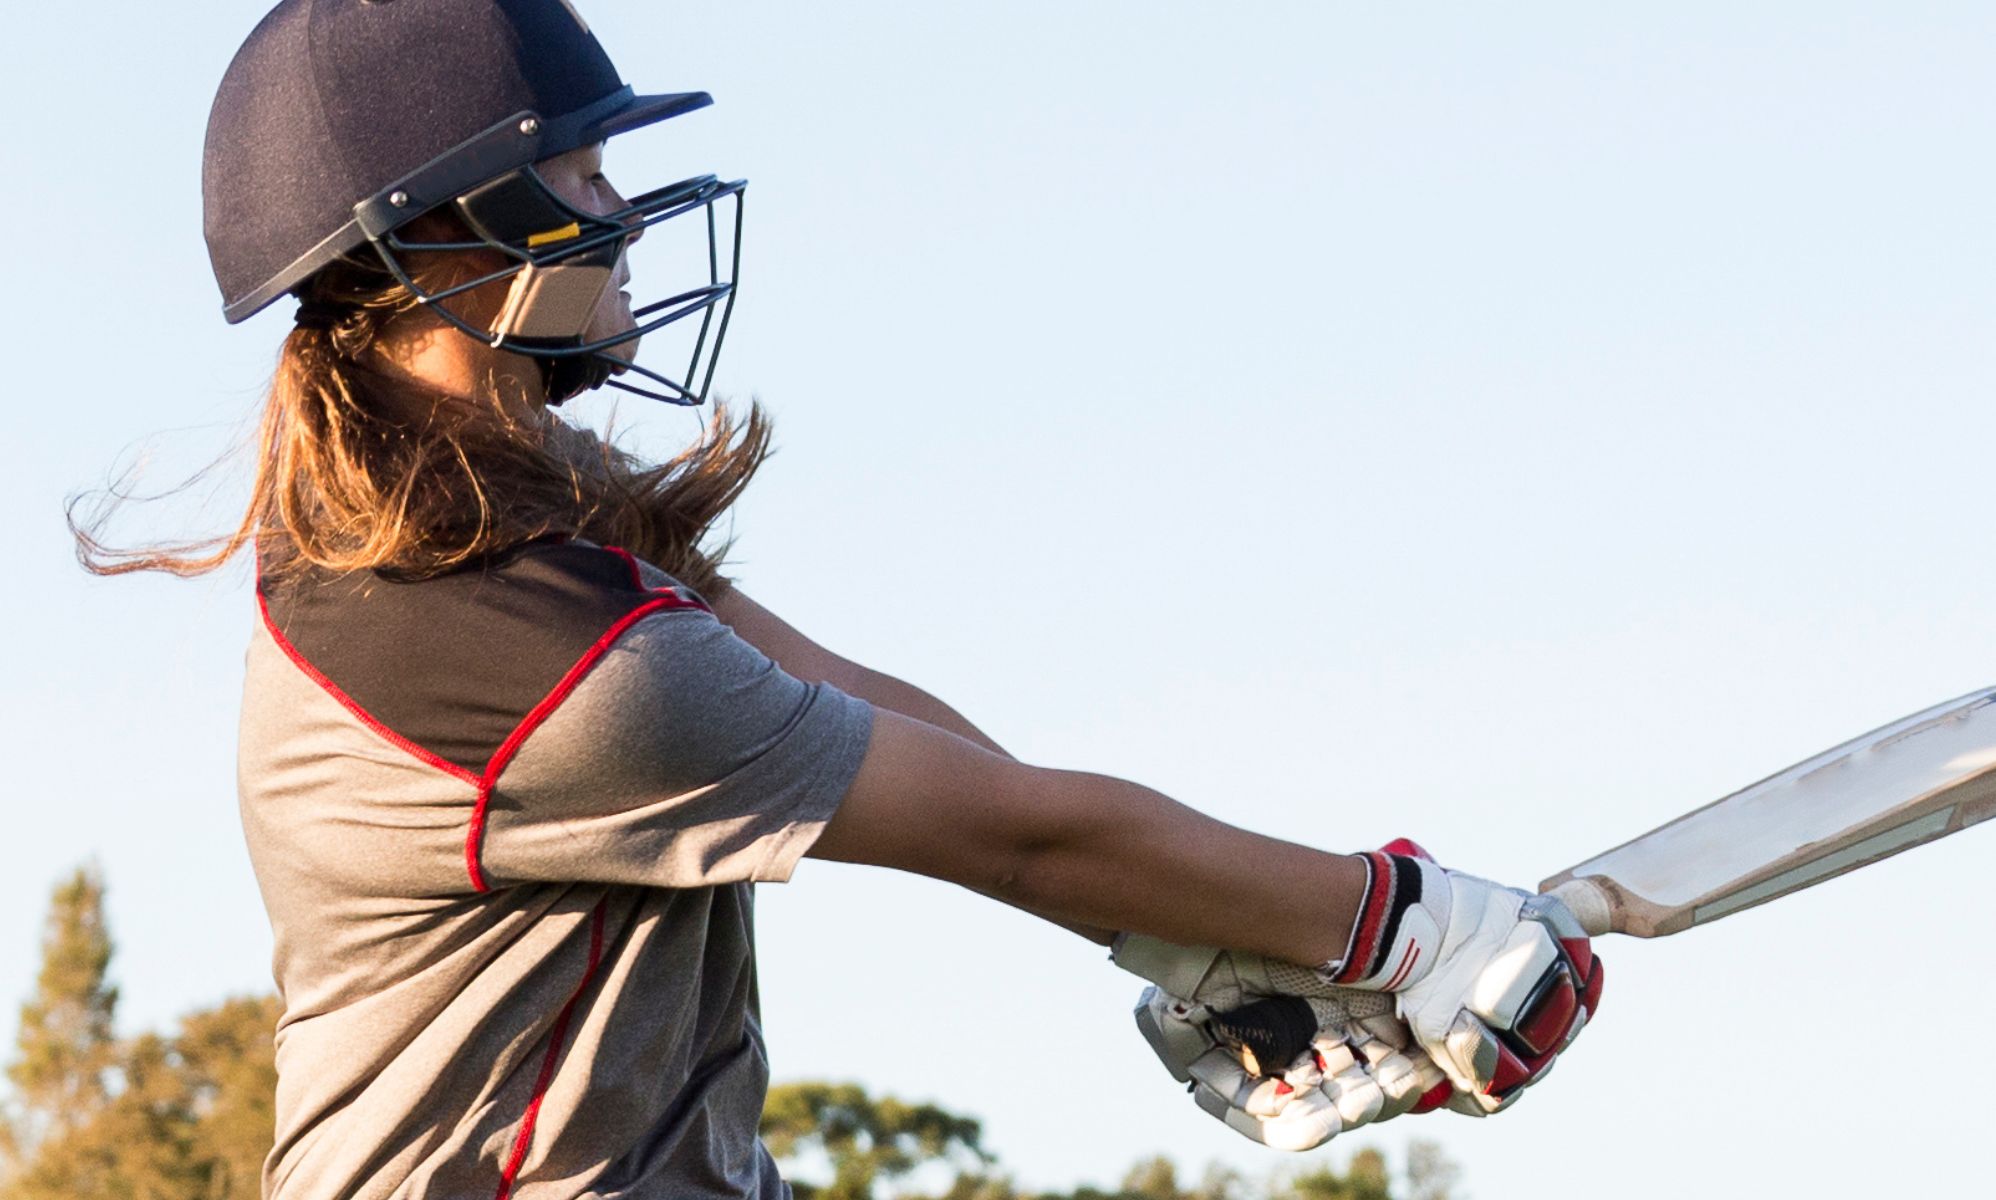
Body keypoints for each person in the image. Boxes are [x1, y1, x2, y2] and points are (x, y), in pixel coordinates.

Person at [76, 2, 1602, 1196]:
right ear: (442, 236)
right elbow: (1010, 834)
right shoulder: (517, 646)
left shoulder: (523, 529)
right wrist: (1401, 929)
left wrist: (1205, 944)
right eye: (584, 173)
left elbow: (877, 722)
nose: (623, 211)